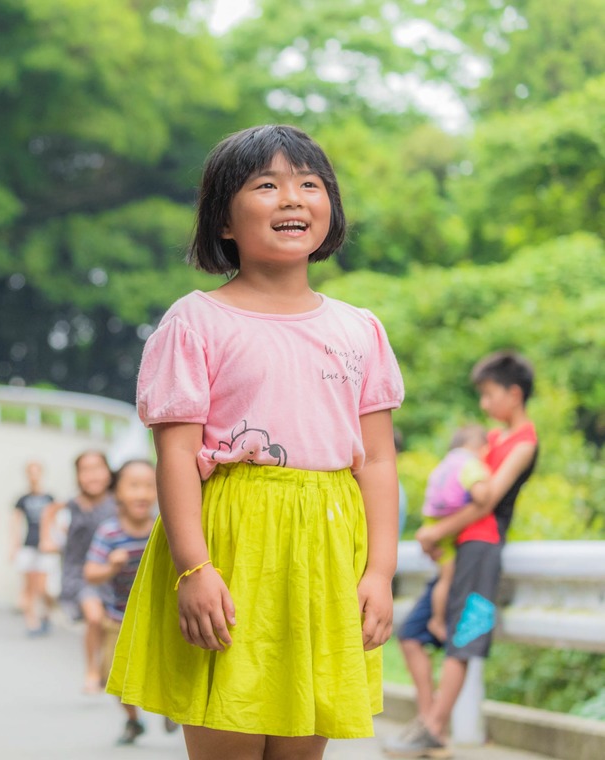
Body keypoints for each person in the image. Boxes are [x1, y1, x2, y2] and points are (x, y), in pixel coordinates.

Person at [106, 124, 405, 760]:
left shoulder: (360, 329)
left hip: (326, 551)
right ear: (223, 221)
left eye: (309, 185)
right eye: (266, 185)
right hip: (230, 547)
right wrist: (194, 567)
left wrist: (380, 570)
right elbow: (177, 456)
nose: (292, 198)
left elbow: (377, 459)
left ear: (331, 209)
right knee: (230, 728)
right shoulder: (196, 322)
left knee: (302, 745)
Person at [385, 352, 538, 758]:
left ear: (514, 393)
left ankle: (433, 726)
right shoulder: (489, 439)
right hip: (457, 550)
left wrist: (436, 529)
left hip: (482, 546)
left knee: (464, 637)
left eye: (489, 395)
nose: (485, 405)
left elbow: (487, 503)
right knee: (412, 633)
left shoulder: (524, 442)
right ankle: (429, 724)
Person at [83, 459, 163, 745]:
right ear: (117, 492)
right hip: (118, 617)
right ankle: (133, 719)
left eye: (149, 486)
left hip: (159, 618)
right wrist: (111, 567)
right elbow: (90, 573)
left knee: (167, 668)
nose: (142, 494)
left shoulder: (163, 527)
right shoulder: (109, 532)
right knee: (111, 676)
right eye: (133, 486)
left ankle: (171, 708)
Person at [40, 450, 116, 693]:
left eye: (97, 468)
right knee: (94, 618)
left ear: (108, 472)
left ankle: (105, 667)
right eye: (85, 469)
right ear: (78, 476)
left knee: (108, 625)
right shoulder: (73, 504)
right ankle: (91, 671)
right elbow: (49, 510)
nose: (92, 475)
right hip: (81, 574)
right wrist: (47, 539)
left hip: (112, 574)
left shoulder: (118, 502)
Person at [418, 425, 490, 644]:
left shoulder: (446, 463)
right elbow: (482, 495)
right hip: (447, 524)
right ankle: (437, 620)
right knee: (446, 577)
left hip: (431, 520)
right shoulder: (469, 463)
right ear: (477, 446)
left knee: (444, 573)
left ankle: (437, 619)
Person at [12, 460, 56, 636]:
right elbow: (15, 524)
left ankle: (46, 614)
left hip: (45, 548)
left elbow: (57, 522)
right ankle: (32, 623)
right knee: (29, 587)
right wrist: (14, 547)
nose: (33, 476)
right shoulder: (22, 500)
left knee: (43, 588)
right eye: (30, 472)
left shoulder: (49, 498)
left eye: (36, 472)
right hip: (29, 546)